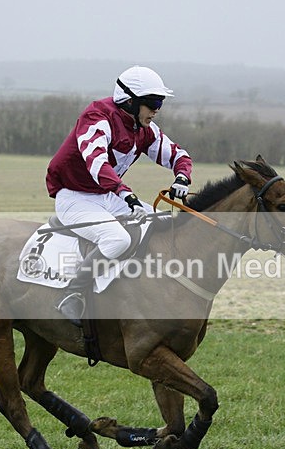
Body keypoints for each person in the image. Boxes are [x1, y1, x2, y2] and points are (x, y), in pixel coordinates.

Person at [45, 65, 193, 326]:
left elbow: (177, 154)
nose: (157, 110)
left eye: (160, 103)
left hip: (106, 195)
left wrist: (182, 176)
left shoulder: (144, 128)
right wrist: (127, 195)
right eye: (152, 103)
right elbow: (97, 165)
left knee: (162, 223)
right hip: (74, 196)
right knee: (117, 240)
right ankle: (72, 294)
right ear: (130, 101)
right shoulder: (97, 117)